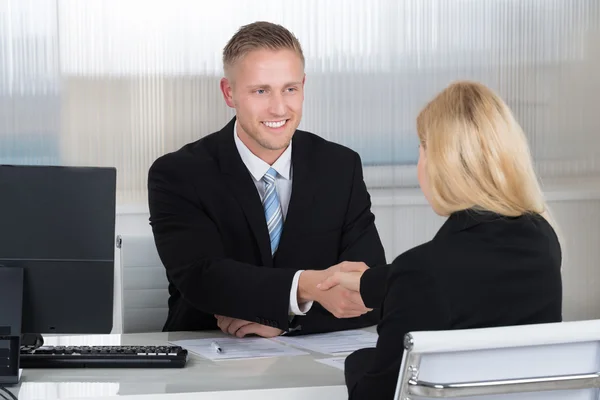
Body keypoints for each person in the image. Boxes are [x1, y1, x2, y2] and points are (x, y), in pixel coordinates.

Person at [317, 81, 563, 399]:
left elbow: (375, 394)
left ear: (440, 161)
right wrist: (370, 282)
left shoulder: (423, 271)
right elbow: (471, 274)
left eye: (421, 148)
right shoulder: (541, 241)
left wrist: (360, 360)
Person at [147, 21, 386, 338]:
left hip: (310, 362)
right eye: (261, 91)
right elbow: (203, 279)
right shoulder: (178, 174)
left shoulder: (340, 166)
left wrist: (285, 320)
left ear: (303, 86)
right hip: (208, 358)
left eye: (290, 89)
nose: (279, 107)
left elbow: (371, 290)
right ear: (229, 92)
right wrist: (307, 286)